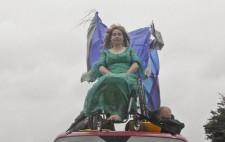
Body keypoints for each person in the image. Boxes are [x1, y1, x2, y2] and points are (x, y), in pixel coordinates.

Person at [81, 24, 143, 122]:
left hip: (128, 75)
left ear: (123, 38)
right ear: (110, 38)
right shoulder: (105, 53)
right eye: (114, 34)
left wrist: (125, 75)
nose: (117, 36)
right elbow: (101, 67)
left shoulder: (130, 51)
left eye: (119, 34)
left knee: (121, 80)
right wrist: (111, 75)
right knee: (104, 83)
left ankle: (120, 114)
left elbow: (135, 65)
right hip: (108, 75)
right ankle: (90, 113)